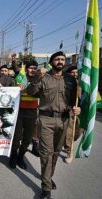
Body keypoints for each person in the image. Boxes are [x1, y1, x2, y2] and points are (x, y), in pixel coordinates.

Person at [27, 51, 80, 199]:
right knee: (46, 153)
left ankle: (48, 177)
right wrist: (37, 76)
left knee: (56, 152)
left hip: (64, 120)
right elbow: (31, 92)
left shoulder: (70, 80)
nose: (60, 61)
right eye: (57, 59)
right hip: (46, 120)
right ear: (51, 62)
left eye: (62, 59)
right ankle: (46, 187)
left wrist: (78, 108)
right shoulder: (44, 77)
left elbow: (75, 99)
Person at [9, 60, 39, 169]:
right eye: (31, 68)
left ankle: (20, 157)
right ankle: (13, 156)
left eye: (35, 68)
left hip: (32, 113)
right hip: (19, 112)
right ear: (26, 69)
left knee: (27, 139)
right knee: (16, 138)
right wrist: (17, 87)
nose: (33, 70)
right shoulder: (20, 77)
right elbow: (12, 89)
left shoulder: (38, 79)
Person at [64, 64, 81, 164]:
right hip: (70, 109)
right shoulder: (67, 83)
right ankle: (69, 152)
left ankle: (68, 144)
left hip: (80, 111)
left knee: (78, 132)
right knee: (70, 131)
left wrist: (80, 108)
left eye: (76, 72)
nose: (74, 74)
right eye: (72, 72)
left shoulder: (82, 84)